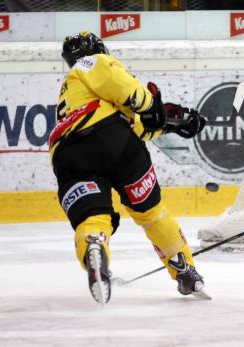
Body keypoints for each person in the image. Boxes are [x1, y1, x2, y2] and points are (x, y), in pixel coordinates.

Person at [50, 31, 207, 304]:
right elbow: (122, 88)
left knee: (93, 218)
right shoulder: (89, 63)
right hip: (114, 142)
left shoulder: (70, 99)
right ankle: (183, 268)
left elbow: (134, 124)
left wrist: (171, 123)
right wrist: (151, 104)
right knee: (152, 214)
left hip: (67, 155)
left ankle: (94, 246)